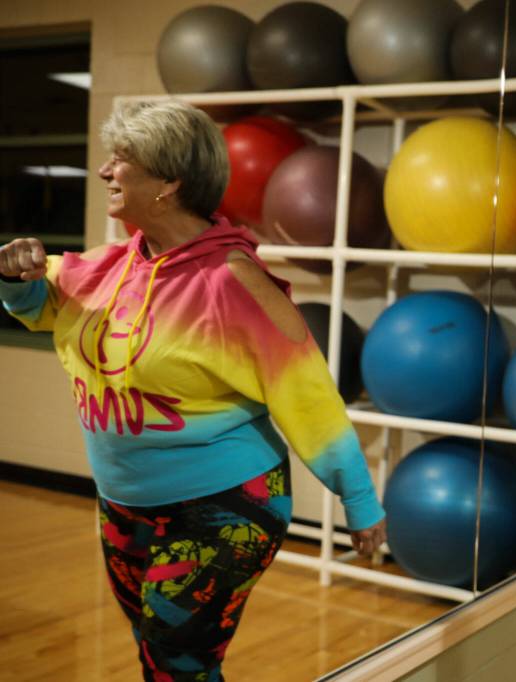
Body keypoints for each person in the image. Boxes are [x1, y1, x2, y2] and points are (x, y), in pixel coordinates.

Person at [0, 100, 386, 681]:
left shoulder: (234, 282)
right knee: (160, 656)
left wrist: (358, 501)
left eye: (121, 159)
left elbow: (308, 399)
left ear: (168, 183)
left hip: (225, 503)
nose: (105, 171)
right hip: (124, 503)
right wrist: (15, 276)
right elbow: (43, 303)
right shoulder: (110, 269)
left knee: (178, 662)